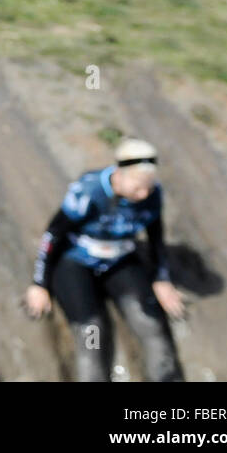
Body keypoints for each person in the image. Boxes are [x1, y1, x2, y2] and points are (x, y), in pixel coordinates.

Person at [24, 138, 186, 382]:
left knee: (149, 321)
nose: (143, 193)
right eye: (138, 187)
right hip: (75, 260)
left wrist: (161, 278)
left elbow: (156, 237)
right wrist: (40, 284)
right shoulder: (90, 191)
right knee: (92, 333)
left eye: (149, 187)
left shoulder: (153, 194)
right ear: (119, 174)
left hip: (120, 258)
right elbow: (53, 235)